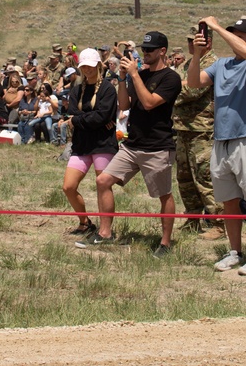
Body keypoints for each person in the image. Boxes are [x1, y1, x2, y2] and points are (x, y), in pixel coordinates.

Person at [76, 31, 182, 258]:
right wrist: (123, 78)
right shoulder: (139, 76)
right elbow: (124, 105)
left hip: (158, 146)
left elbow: (150, 102)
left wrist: (134, 75)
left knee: (164, 194)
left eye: (150, 50)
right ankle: (105, 234)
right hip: (133, 144)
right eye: (143, 49)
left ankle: (165, 243)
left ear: (162, 51)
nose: (145, 53)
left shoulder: (170, 78)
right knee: (103, 180)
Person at [190, 17, 246, 275]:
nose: (235, 37)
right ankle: (235, 251)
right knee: (228, 201)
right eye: (232, 33)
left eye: (239, 34)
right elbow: (194, 82)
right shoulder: (221, 65)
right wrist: (196, 55)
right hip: (221, 140)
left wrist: (216, 27)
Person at [57, 48, 118, 235]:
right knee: (68, 186)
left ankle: (104, 230)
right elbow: (77, 114)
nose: (87, 69)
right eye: (84, 66)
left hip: (103, 144)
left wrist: (78, 120)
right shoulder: (76, 90)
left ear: (99, 65)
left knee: (103, 186)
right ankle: (85, 222)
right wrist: (87, 119)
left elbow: (100, 117)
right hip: (81, 144)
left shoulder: (108, 89)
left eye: (91, 66)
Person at [172, 25, 222, 238]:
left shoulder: (213, 63)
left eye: (195, 40)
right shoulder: (186, 64)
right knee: (185, 178)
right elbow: (174, 85)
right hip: (182, 128)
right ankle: (193, 218)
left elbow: (190, 90)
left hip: (202, 130)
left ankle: (219, 223)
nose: (190, 44)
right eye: (189, 40)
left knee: (205, 177)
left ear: (207, 42)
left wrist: (172, 90)